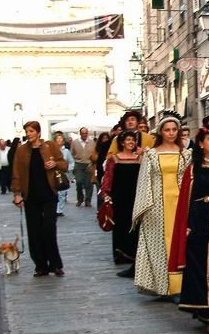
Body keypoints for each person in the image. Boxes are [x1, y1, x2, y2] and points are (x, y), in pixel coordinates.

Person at [169, 127, 209, 334]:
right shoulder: (193, 170)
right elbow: (186, 201)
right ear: (201, 144)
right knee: (202, 269)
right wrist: (187, 227)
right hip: (200, 225)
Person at [132, 113, 192, 297]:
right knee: (159, 244)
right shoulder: (151, 154)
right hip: (157, 204)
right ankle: (163, 286)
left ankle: (180, 286)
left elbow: (190, 179)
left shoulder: (186, 154)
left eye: (174, 129)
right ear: (161, 132)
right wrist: (144, 208)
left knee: (181, 241)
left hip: (182, 203)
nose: (171, 133)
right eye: (167, 130)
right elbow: (144, 181)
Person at [11, 121, 66, 276]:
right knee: (34, 231)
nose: (28, 134)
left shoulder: (50, 146)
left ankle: (55, 264)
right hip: (31, 195)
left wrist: (55, 163)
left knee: (49, 229)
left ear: (38, 132)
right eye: (27, 131)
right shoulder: (21, 150)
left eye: (31, 131)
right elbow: (16, 172)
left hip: (49, 194)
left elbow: (64, 165)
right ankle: (40, 265)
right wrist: (16, 194)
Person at [99, 131, 142, 275]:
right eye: (128, 139)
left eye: (133, 139)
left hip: (136, 195)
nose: (131, 142)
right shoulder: (114, 159)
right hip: (119, 196)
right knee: (120, 223)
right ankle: (120, 253)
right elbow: (108, 176)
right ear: (122, 142)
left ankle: (134, 253)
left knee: (134, 224)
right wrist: (106, 193)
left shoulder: (140, 158)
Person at [71, 127, 96, 207]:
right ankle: (80, 199)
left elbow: (94, 153)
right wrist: (76, 159)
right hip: (79, 164)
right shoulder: (75, 142)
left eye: (86, 133)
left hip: (89, 164)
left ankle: (88, 200)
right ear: (80, 134)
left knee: (89, 183)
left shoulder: (92, 142)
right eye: (83, 133)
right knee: (78, 182)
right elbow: (72, 152)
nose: (84, 135)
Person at [52, 132, 73, 215]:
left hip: (62, 173)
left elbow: (71, 162)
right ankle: (54, 207)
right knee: (54, 191)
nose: (59, 140)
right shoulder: (51, 150)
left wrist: (68, 169)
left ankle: (59, 209)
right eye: (58, 138)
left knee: (62, 192)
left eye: (61, 138)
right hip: (53, 173)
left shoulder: (66, 151)